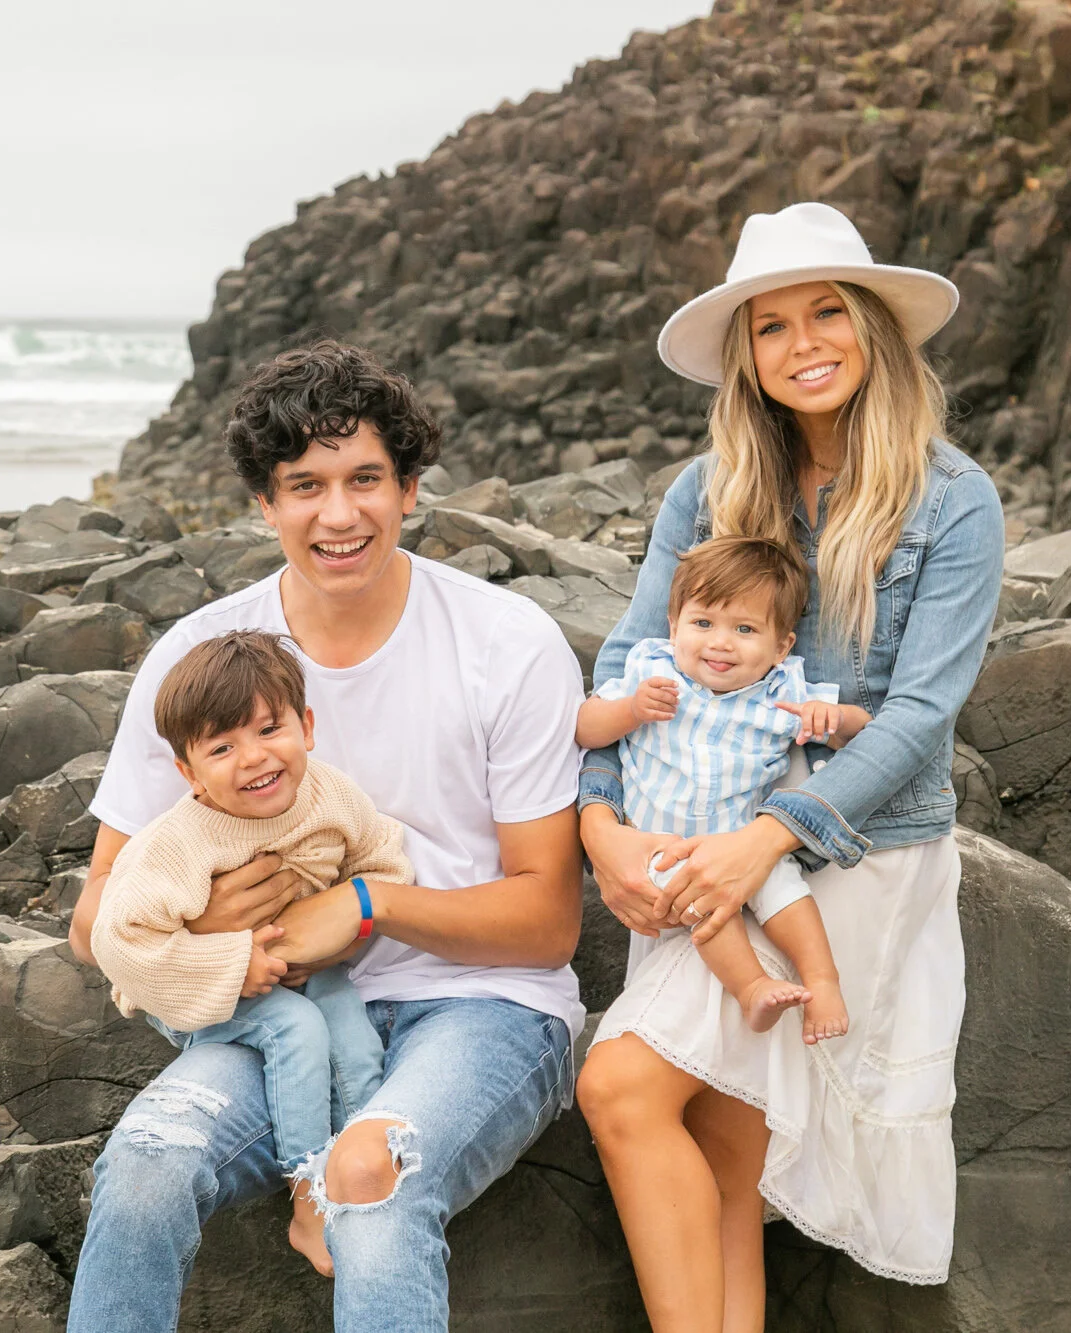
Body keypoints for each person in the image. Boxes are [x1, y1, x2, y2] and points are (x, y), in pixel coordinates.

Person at [65, 339, 586, 1333]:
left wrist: (363, 903)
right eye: (304, 485)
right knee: (143, 1165)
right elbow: (94, 921)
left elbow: (547, 922)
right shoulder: (199, 661)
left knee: (372, 1182)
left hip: (484, 1004)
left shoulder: (504, 642)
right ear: (265, 503)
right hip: (276, 1008)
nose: (337, 515)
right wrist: (211, 927)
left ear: (410, 489)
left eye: (364, 480)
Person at [574, 201, 1004, 1330]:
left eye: (827, 313)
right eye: (770, 325)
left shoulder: (952, 500)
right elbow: (628, 664)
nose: (802, 343)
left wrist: (766, 838)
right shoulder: (706, 489)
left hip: (849, 852)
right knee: (722, 1135)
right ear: (745, 357)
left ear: (873, 327)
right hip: (688, 837)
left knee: (619, 1087)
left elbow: (919, 716)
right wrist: (599, 828)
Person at [88, 628, 412, 1274]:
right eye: (222, 747)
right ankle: (307, 1194)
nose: (255, 757)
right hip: (185, 982)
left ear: (307, 727)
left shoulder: (330, 796)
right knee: (296, 1029)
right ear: (189, 773)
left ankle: (364, 1159)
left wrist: (339, 932)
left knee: (348, 1026)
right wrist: (234, 965)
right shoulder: (178, 843)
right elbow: (118, 941)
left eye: (270, 729)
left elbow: (382, 861)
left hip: (295, 964)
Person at [572, 535, 869, 1043]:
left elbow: (863, 731)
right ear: (674, 626)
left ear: (781, 647)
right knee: (700, 904)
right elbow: (585, 728)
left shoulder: (782, 693)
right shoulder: (651, 671)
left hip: (740, 840)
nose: (721, 643)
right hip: (659, 847)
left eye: (745, 629)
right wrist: (630, 710)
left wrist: (836, 718)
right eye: (703, 623)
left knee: (785, 890)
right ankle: (751, 987)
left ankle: (823, 981)